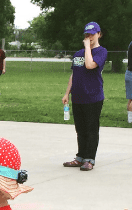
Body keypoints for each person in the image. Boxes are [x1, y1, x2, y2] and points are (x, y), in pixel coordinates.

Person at [62, 22, 107, 171]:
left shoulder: (101, 52)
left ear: (99, 34)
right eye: (87, 35)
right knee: (80, 129)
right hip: (78, 97)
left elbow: (89, 65)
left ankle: (90, 159)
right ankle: (80, 157)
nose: (89, 37)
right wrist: (67, 93)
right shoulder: (78, 54)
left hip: (93, 97)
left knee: (91, 129)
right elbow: (74, 74)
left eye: (92, 34)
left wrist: (88, 47)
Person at [126, 38, 132, 124]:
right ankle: (131, 120)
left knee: (131, 99)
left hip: (128, 73)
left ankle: (129, 119)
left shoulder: (131, 43)